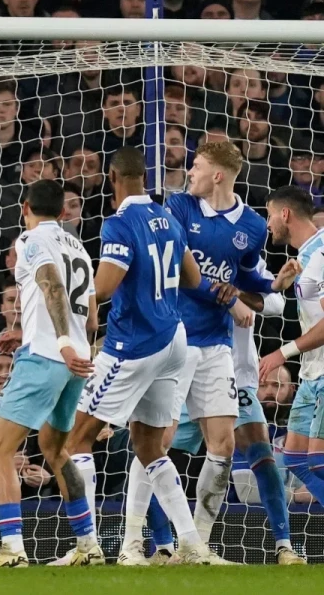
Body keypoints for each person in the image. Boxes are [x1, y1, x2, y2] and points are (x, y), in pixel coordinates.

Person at [60, 146, 222, 566]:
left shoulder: (118, 224)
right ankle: (191, 544)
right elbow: (193, 277)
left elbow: (108, 286)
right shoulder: (168, 217)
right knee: (150, 446)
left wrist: (77, 302)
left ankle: (87, 548)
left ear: (112, 177)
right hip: (174, 339)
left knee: (76, 438)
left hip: (134, 344)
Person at [155, 141, 298, 561]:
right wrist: (230, 299)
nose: (189, 172)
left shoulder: (252, 227)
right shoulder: (181, 207)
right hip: (175, 348)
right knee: (153, 449)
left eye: (196, 165)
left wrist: (269, 287)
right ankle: (159, 546)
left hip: (227, 360)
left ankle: (278, 544)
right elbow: (178, 270)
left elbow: (262, 292)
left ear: (218, 174)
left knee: (250, 449)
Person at [0, 180, 101, 567]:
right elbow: (93, 317)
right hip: (77, 361)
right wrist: (67, 342)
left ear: (25, 207)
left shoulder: (29, 241)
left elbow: (50, 285)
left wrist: (58, 340)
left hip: (48, 356)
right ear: (64, 212)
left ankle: (12, 549)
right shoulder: (78, 246)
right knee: (57, 451)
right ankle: (88, 547)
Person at [152, 256, 305, 564]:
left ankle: (284, 547)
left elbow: (275, 304)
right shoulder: (183, 255)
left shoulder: (244, 257)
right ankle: (164, 546)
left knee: (262, 456)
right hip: (187, 369)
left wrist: (236, 293)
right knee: (161, 456)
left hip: (237, 374)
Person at [256, 186, 324, 513]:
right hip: (312, 372)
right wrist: (279, 284)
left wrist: (282, 353)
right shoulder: (307, 258)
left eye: (270, 215)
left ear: (285, 214)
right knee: (295, 459)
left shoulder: (320, 255)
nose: (268, 224)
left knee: (318, 462)